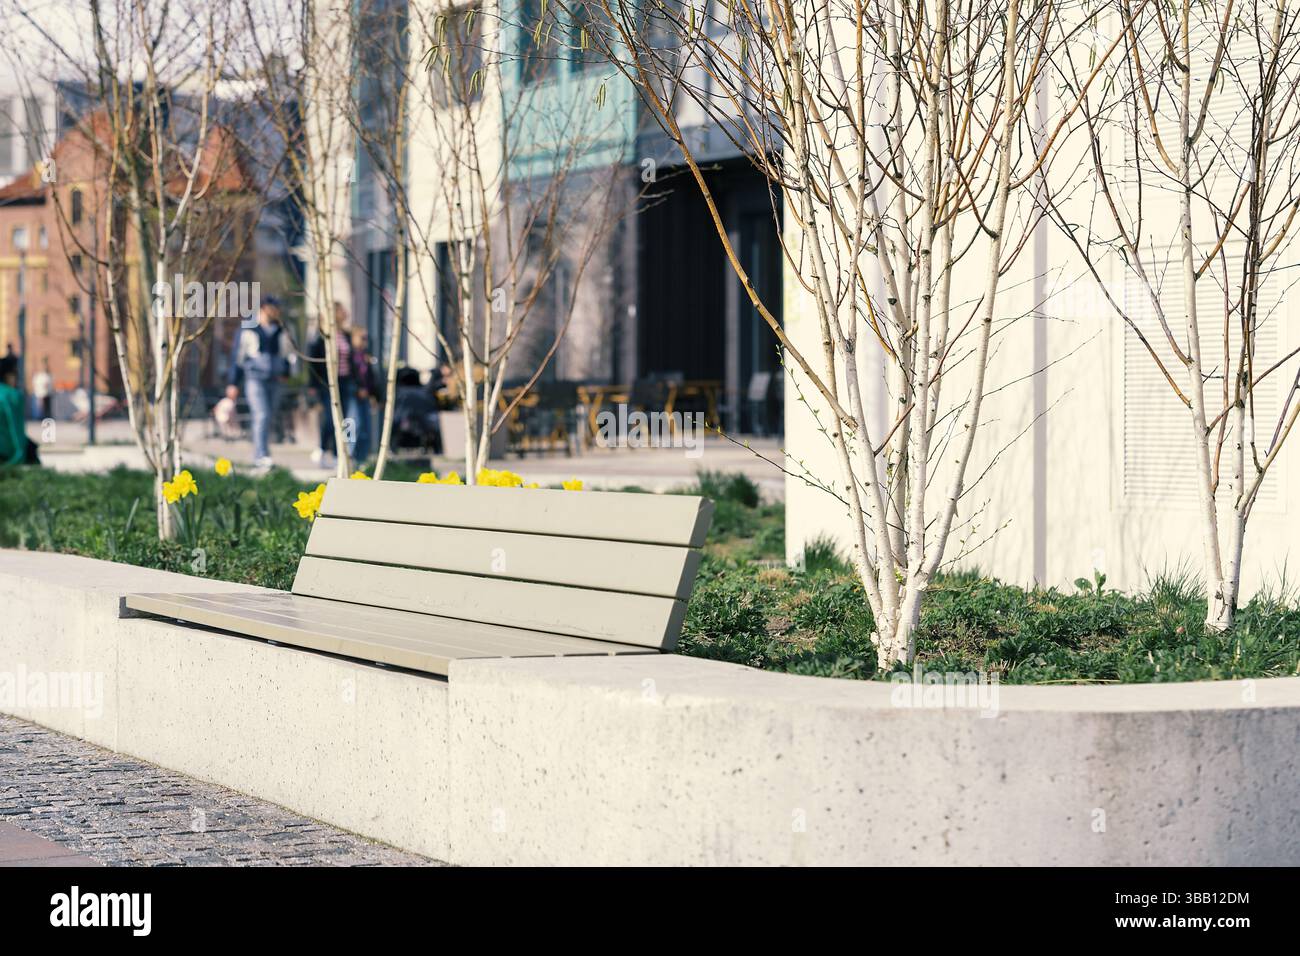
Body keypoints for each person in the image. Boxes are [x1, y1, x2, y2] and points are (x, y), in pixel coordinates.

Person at [226, 296, 295, 469]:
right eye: (274, 307)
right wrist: (233, 382)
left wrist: (286, 372)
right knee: (261, 414)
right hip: (254, 378)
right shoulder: (248, 327)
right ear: (264, 308)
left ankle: (264, 452)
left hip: (275, 379)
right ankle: (260, 456)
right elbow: (238, 357)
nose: (277, 311)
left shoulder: (282, 329)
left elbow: (288, 353)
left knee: (268, 416)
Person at [306, 301, 352, 466]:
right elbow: (313, 363)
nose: (344, 313)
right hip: (327, 383)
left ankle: (340, 452)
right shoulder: (321, 336)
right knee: (330, 417)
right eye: (341, 311)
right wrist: (312, 386)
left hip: (345, 382)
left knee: (345, 419)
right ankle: (324, 449)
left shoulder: (345, 334)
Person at [347, 325, 379, 464]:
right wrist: (357, 389)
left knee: (365, 427)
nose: (365, 341)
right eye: (362, 338)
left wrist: (373, 394)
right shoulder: (349, 356)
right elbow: (349, 376)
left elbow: (371, 378)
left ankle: (362, 459)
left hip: (365, 396)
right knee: (352, 424)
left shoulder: (366, 356)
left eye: (366, 338)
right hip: (352, 395)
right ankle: (348, 454)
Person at [0, 355, 40, 466]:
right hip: (5, 454)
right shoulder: (11, 396)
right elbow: (16, 431)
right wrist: (18, 458)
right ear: (9, 375)